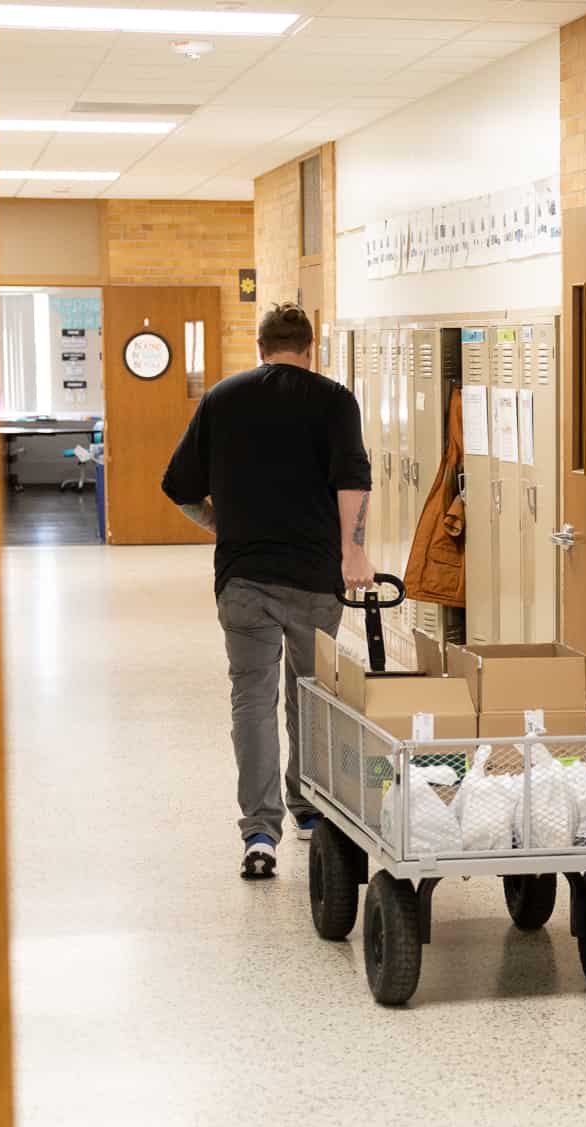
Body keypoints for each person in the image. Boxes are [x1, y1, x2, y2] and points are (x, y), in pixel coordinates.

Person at [162, 302, 374, 880]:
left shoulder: (223, 398)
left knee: (251, 701)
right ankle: (308, 810)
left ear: (259, 349)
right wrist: (353, 551)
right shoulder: (333, 400)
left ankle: (260, 832)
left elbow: (177, 486)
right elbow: (353, 478)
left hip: (243, 580)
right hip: (313, 579)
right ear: (310, 350)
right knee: (309, 694)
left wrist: (219, 525)